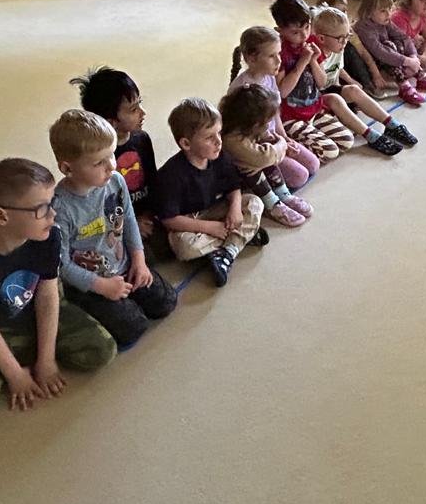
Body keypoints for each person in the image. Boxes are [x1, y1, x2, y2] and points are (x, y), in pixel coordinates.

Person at [0, 157, 117, 438]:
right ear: (1, 217)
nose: (53, 215)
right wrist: (15, 375)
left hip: (33, 315)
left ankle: (27, 354)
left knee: (103, 350)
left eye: (52, 203)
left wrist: (46, 359)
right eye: (41, 209)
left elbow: (48, 296)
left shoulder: (49, 235)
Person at [48, 109, 178, 348]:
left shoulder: (115, 181)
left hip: (123, 264)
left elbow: (128, 220)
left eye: (111, 155)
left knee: (166, 302)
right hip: (91, 282)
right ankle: (82, 307)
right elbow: (62, 264)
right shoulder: (60, 208)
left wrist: (138, 260)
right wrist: (102, 286)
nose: (111, 166)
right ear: (67, 168)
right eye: (99, 162)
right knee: (133, 327)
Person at [155, 98, 267, 287]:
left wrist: (235, 209)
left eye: (219, 133)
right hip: (190, 221)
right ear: (186, 143)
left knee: (254, 203)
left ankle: (227, 252)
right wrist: (209, 227)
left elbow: (234, 186)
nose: (218, 141)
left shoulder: (219, 156)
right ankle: (238, 238)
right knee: (184, 247)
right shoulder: (171, 175)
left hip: (216, 209)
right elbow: (169, 219)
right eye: (209, 138)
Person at [309, 5, 418, 150]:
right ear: (321, 38)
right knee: (336, 99)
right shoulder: (314, 54)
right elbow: (319, 83)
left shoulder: (337, 48)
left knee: (353, 90)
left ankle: (391, 124)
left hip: (327, 88)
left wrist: (350, 82)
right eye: (341, 38)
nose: (345, 42)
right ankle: (370, 135)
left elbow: (337, 70)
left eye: (347, 36)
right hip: (314, 97)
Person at [70, 66, 158, 239]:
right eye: (133, 109)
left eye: (140, 103)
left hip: (147, 216)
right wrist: (131, 225)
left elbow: (153, 181)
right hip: (116, 224)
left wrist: (151, 213)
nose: (143, 113)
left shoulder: (142, 139)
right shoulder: (95, 156)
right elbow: (95, 205)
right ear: (111, 121)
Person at [268, 0, 357, 161]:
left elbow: (322, 83)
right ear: (279, 31)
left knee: (347, 140)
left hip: (314, 110)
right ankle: (290, 146)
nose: (304, 35)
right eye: (295, 32)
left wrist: (314, 60)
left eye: (307, 27)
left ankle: (306, 139)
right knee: (330, 151)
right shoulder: (279, 52)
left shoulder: (312, 42)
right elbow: (282, 92)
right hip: (290, 117)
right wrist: (302, 62)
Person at [229, 24, 319, 188]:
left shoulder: (269, 77)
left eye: (279, 53)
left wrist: (284, 138)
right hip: (256, 144)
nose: (279, 60)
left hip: (272, 137)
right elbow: (245, 135)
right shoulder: (243, 90)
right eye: (272, 56)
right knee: (300, 176)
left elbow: (275, 112)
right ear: (251, 59)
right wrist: (277, 147)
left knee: (313, 164)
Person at [219, 80, 311, 227]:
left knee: (263, 153)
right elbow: (266, 157)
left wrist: (280, 143)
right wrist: (281, 144)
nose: (269, 125)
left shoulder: (248, 127)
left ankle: (283, 194)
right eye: (267, 121)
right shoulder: (232, 139)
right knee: (252, 164)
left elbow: (268, 138)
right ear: (254, 123)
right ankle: (271, 204)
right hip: (233, 180)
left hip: (254, 161)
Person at [355, 0, 426, 108]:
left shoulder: (384, 21)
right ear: (369, 11)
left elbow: (404, 37)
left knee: (398, 42)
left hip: (386, 61)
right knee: (389, 45)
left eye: (389, 9)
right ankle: (403, 85)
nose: (388, 14)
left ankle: (421, 76)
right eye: (383, 11)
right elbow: (380, 51)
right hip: (371, 65)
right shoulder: (364, 28)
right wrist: (406, 60)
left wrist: (413, 55)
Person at [320, 0, 396, 99]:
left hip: (345, 69)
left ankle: (370, 82)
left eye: (344, 11)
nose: (343, 16)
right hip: (330, 72)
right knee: (349, 48)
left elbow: (363, 52)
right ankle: (366, 86)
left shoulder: (348, 30)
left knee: (368, 50)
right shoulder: (321, 34)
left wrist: (376, 74)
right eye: (338, 13)